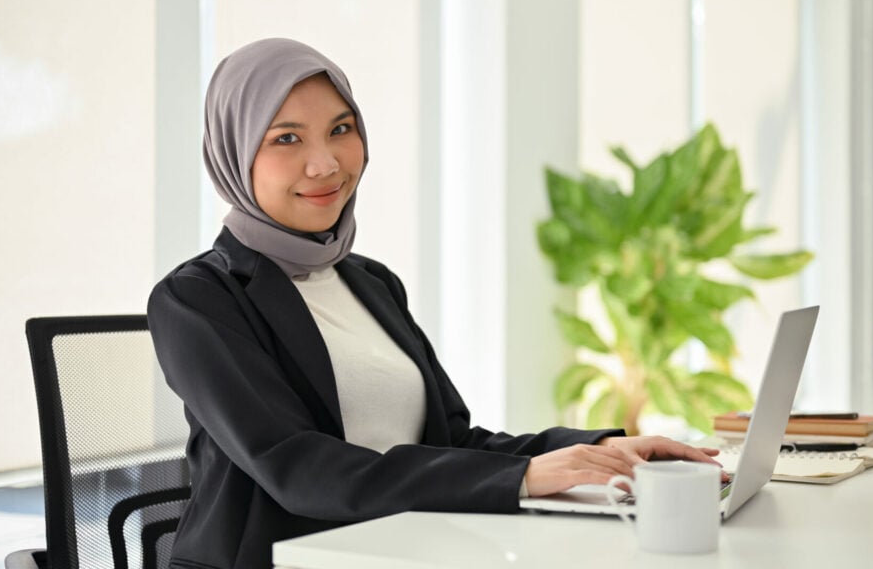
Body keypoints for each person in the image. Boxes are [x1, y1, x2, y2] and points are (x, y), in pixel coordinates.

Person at [148, 38, 724, 569]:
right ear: (233, 150)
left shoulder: (370, 283)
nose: (325, 163)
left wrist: (599, 448)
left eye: (342, 129)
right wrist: (522, 477)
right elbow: (298, 468)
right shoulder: (198, 298)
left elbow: (457, 444)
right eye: (287, 138)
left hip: (402, 550)